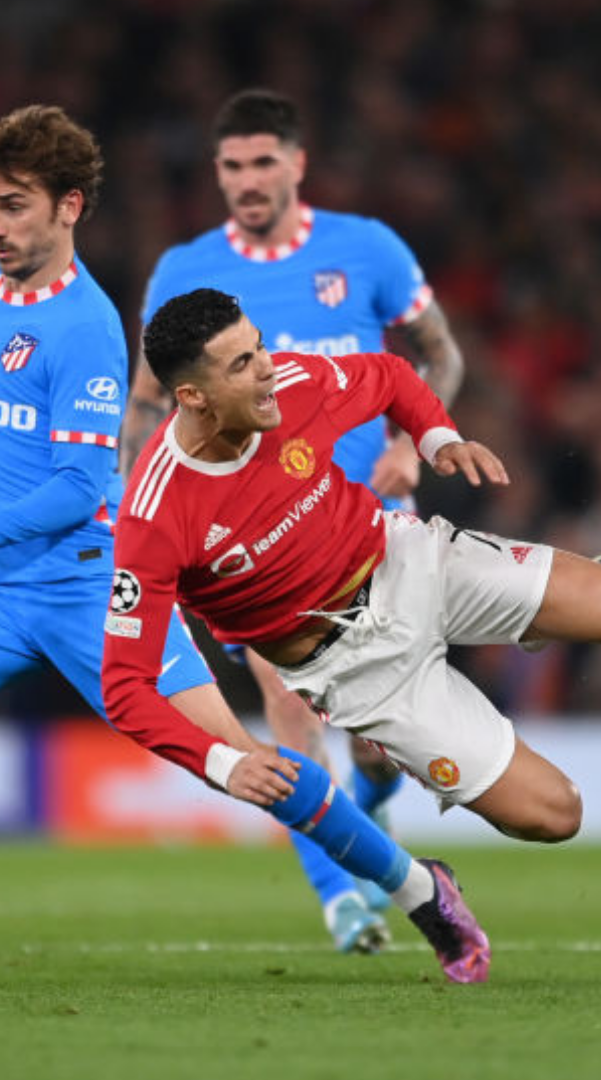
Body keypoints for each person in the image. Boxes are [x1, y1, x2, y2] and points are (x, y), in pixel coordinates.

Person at [0, 106, 487, 984]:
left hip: (89, 588)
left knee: (254, 767)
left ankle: (421, 889)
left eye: (16, 207)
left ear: (70, 207)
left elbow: (82, 490)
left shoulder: (88, 329)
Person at [103, 288, 601, 978]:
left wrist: (438, 437)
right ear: (193, 397)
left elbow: (392, 377)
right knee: (557, 815)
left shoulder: (293, 383)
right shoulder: (154, 514)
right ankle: (400, 768)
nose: (268, 369)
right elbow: (124, 685)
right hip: (355, 669)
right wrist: (227, 763)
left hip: (410, 560)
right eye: (242, 364)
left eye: (260, 346)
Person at [128, 89, 465, 955]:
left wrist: (415, 440)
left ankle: (374, 804)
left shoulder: (368, 249)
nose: (248, 180)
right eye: (233, 166)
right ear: (217, 171)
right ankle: (341, 901)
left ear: (297, 163)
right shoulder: (184, 272)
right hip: (256, 550)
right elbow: (145, 402)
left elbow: (440, 353)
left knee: (385, 748)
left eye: (263, 162)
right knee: (291, 712)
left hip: (375, 524)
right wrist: (130, 509)